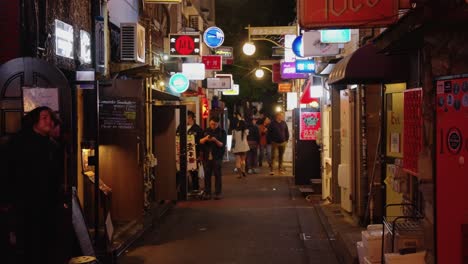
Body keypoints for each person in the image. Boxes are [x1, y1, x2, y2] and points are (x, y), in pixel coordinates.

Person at [5, 106, 64, 264]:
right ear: (34, 121)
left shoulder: (52, 145)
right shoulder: (19, 142)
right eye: (44, 117)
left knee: (45, 245)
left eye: (50, 118)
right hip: (25, 204)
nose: (49, 121)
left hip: (47, 205)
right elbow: (8, 172)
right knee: (28, 246)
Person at [200, 116, 227, 200]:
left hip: (217, 156)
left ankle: (218, 193)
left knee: (217, 174)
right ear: (209, 123)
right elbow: (200, 141)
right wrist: (205, 138)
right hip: (207, 156)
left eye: (214, 124)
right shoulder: (205, 131)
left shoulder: (222, 132)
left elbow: (222, 144)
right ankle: (207, 192)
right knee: (207, 175)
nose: (213, 126)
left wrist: (215, 140)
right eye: (211, 124)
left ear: (218, 124)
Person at [186, 111, 204, 191]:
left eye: (187, 117)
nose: (186, 119)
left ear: (191, 118)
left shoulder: (198, 129)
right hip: (183, 153)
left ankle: (195, 188)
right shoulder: (181, 127)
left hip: (194, 153)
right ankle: (186, 188)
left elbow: (201, 143)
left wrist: (200, 155)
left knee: (194, 171)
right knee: (182, 171)